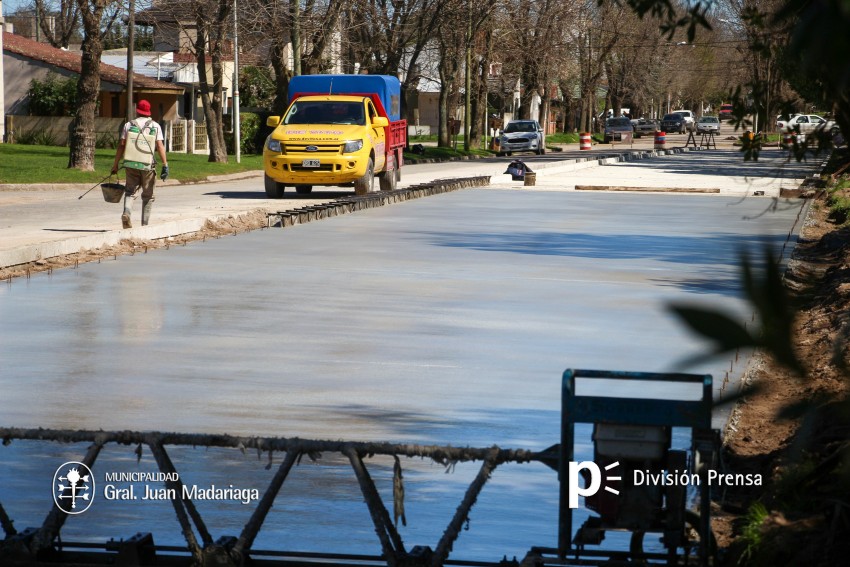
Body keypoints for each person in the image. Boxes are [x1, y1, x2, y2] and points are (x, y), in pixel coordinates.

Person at [111, 100, 169, 229]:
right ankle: (145, 225)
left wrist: (115, 165)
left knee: (130, 192)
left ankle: (126, 212)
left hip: (131, 164)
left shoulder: (128, 125)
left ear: (137, 111)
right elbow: (160, 146)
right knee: (148, 195)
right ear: (149, 112)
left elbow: (121, 145)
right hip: (147, 165)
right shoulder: (155, 126)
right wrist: (165, 164)